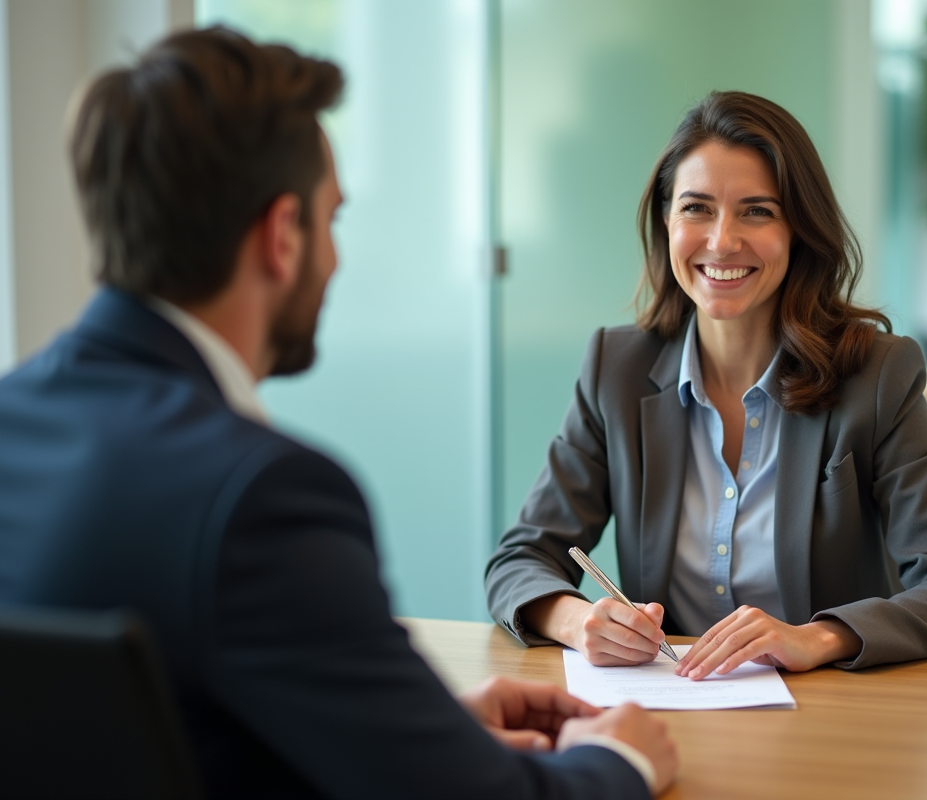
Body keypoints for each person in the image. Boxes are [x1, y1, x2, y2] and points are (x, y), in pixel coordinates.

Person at [0, 27, 676, 799]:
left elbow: (151, 733)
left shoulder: (14, 420)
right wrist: (621, 759)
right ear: (282, 236)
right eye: (332, 220)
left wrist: (411, 728)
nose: (336, 258)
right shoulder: (262, 497)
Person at [486, 91, 927, 679]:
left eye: (757, 211)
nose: (722, 240)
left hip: (830, 719)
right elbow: (520, 559)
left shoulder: (876, 377)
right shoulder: (617, 368)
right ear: (666, 221)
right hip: (672, 710)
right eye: (697, 208)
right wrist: (576, 621)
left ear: (799, 230)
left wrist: (820, 636)